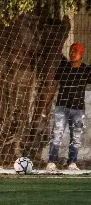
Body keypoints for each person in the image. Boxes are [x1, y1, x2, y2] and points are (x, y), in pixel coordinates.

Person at [46, 43, 91, 171]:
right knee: (57, 134)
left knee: (76, 137)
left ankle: (72, 162)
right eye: (71, 51)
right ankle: (51, 161)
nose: (72, 53)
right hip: (62, 107)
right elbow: (54, 85)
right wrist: (47, 102)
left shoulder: (86, 70)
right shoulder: (63, 68)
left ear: (81, 54)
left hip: (78, 109)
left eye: (75, 51)